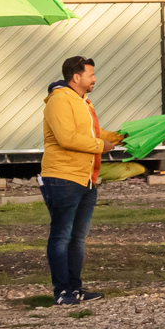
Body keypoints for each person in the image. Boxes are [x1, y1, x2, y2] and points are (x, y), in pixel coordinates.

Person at [39, 55, 124, 305]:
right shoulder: (59, 101)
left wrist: (123, 136)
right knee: (61, 235)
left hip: (86, 178)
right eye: (91, 75)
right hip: (63, 178)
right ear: (76, 77)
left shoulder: (83, 102)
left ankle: (75, 289)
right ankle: (62, 291)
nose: (94, 79)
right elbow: (67, 138)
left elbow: (94, 134)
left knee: (77, 237)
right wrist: (101, 145)